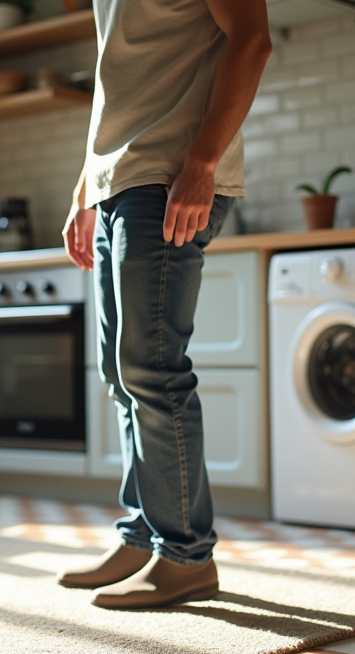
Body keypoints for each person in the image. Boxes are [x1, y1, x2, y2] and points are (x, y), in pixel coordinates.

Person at [57, 0, 272, 609]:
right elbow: (117, 80)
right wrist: (87, 186)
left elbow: (252, 41)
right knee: (121, 373)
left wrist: (201, 162)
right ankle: (144, 532)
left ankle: (186, 556)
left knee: (152, 368)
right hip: (119, 180)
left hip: (169, 175)